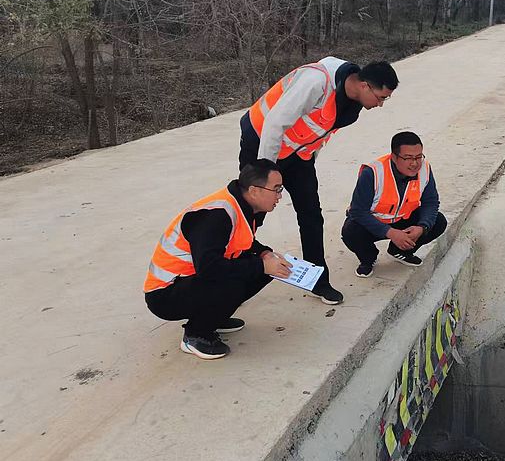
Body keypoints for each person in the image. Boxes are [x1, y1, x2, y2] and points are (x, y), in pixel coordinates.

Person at [239, 58, 398, 305]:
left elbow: (320, 130)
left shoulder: (351, 101)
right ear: (365, 85)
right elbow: (274, 124)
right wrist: (267, 174)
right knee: (250, 213)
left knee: (311, 215)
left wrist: (309, 157)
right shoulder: (316, 82)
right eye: (381, 98)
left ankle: (317, 281)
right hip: (261, 143)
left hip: (298, 154)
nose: (380, 104)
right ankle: (232, 276)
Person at [144, 160, 293, 360]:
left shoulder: (243, 206)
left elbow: (241, 241)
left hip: (191, 281)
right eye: (276, 189)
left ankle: (214, 317)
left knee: (266, 269)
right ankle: (196, 334)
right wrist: (261, 265)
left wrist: (264, 253)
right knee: (236, 281)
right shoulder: (216, 216)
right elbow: (209, 268)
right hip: (165, 294)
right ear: (254, 191)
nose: (280, 196)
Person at [341, 131, 447, 277]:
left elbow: (431, 202)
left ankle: (399, 251)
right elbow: (358, 211)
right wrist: (390, 233)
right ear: (394, 157)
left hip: (403, 220)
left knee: (438, 221)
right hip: (374, 224)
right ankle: (368, 259)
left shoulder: (425, 169)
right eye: (408, 158)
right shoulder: (373, 173)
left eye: (418, 157)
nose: (415, 163)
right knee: (351, 232)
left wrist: (422, 227)